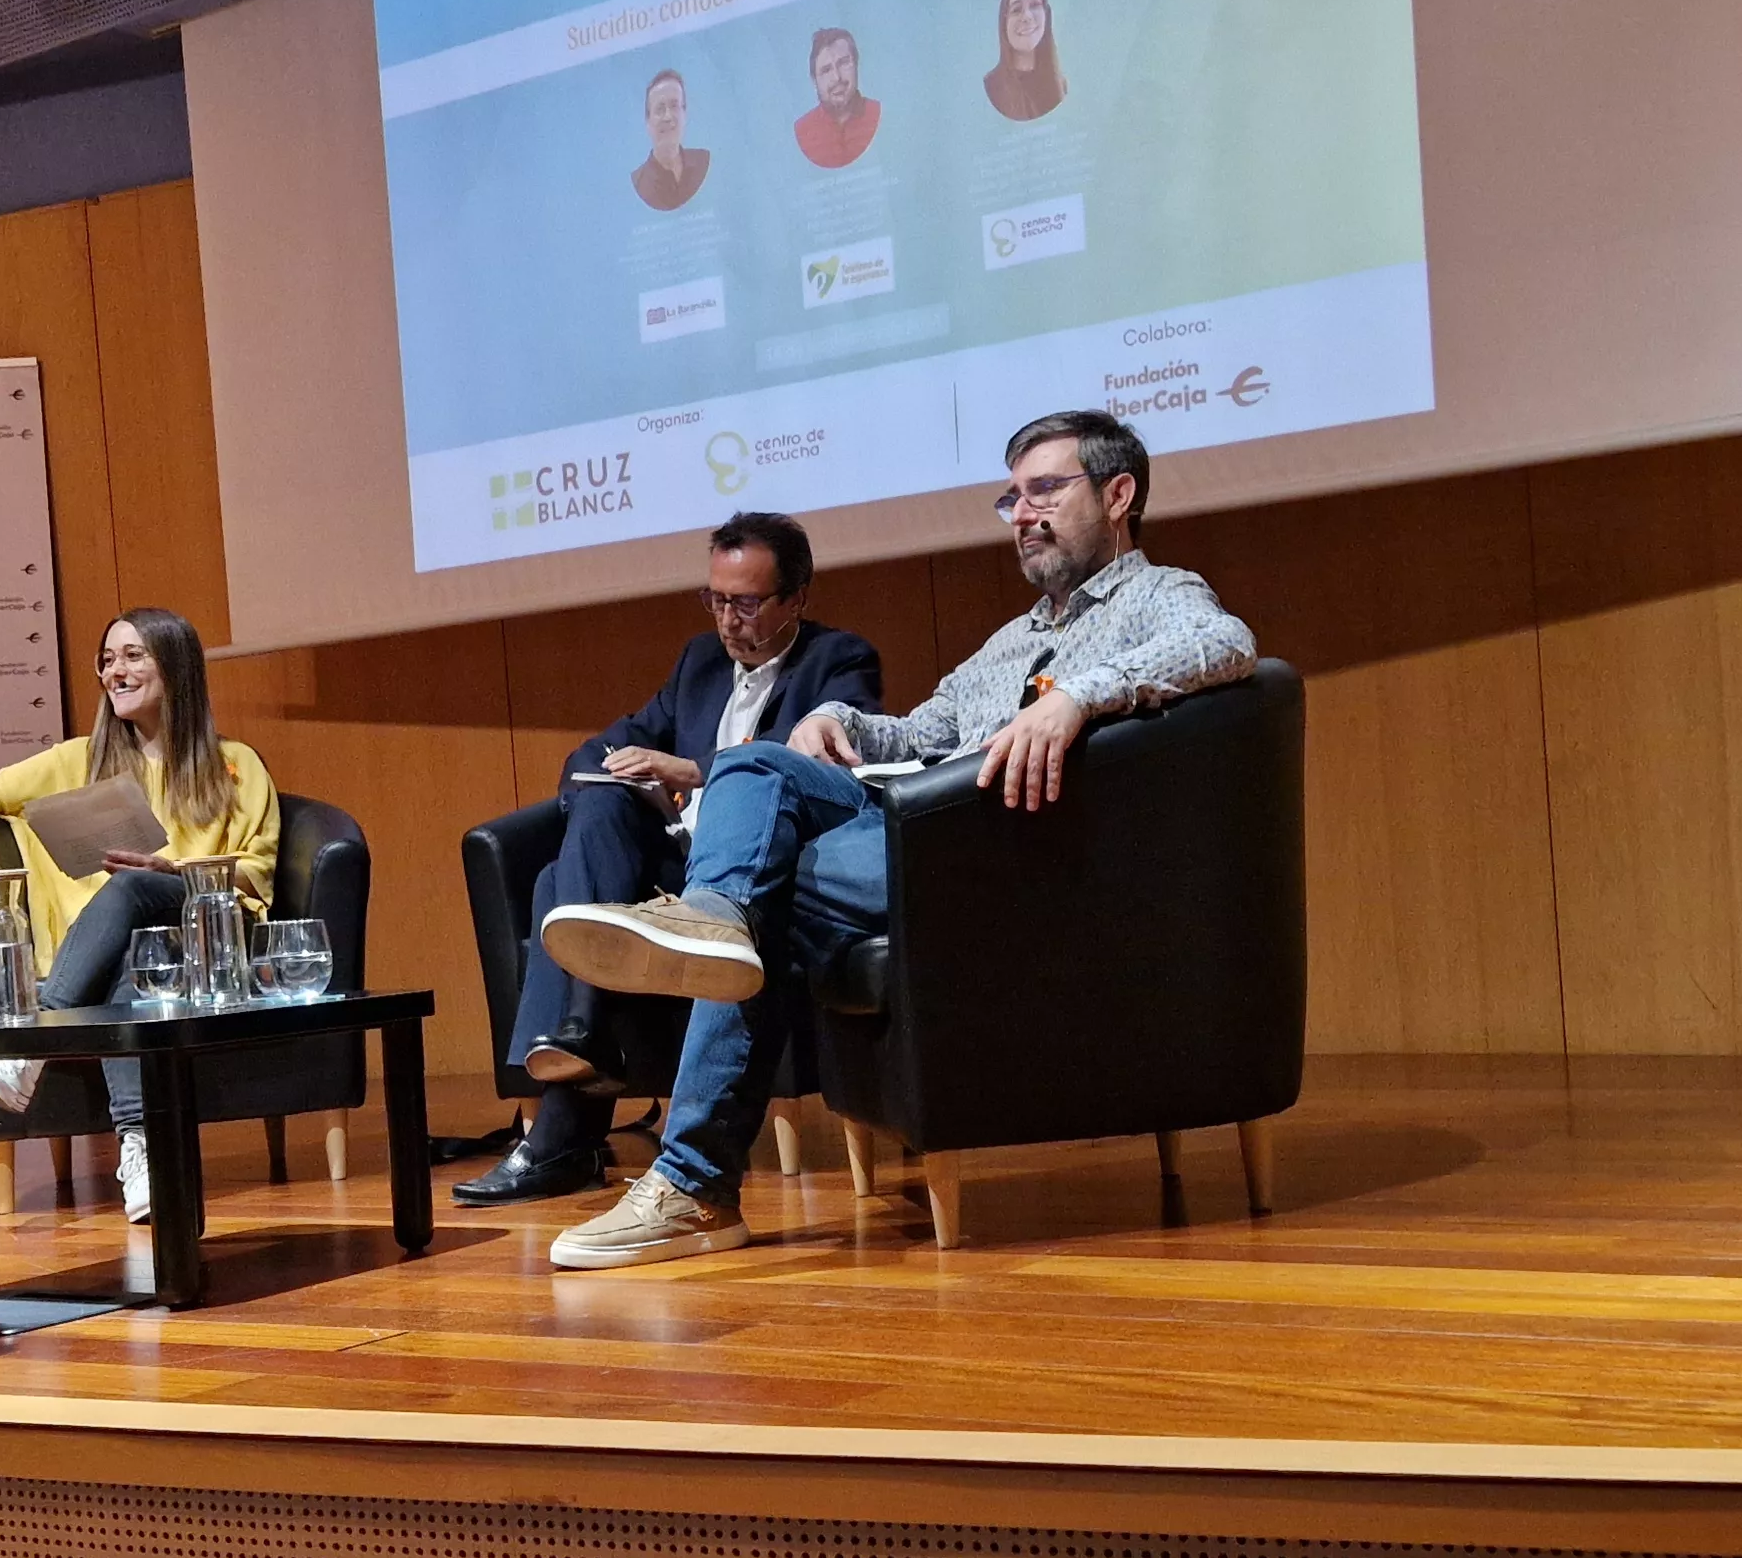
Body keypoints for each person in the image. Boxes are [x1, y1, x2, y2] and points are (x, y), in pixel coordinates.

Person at [535, 412, 1253, 1267]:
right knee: (756, 768)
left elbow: (1227, 644)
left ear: (1119, 494)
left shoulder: (1159, 594)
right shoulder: (1016, 637)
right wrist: (835, 719)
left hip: (1006, 860)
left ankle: (692, 1177)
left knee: (763, 893)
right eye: (1012, 497)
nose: (1023, 514)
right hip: (919, 840)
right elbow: (926, 726)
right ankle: (709, 938)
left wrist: (1078, 697)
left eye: (1045, 491)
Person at [456, 512, 883, 1207]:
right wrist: (611, 778)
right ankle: (581, 1037)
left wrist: (689, 770)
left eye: (745, 602)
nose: (727, 620)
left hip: (756, 877)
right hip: (671, 863)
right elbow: (601, 747)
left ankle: (567, 1106)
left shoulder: (841, 661)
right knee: (599, 802)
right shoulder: (699, 664)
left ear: (797, 598)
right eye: (715, 599)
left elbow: (803, 774)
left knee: (553, 885)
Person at [0, 607, 279, 1222]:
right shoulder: (76, 760)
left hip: (208, 927)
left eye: (133, 656)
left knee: (131, 890)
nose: (115, 671)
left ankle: (27, 1050)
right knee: (131, 949)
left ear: (174, 666)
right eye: (108, 659)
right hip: (131, 947)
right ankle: (140, 1148)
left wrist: (173, 872)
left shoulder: (236, 765)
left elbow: (258, 872)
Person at [792, 27, 881, 169]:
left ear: (856, 64)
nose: (837, 78)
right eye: (826, 70)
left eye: (844, 63)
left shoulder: (879, 114)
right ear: (814, 80)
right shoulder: (801, 131)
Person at [631, 69, 712, 211]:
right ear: (647, 122)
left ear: (684, 114)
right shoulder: (639, 183)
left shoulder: (704, 162)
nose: (668, 117)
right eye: (660, 109)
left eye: (674, 106)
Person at [982, 0, 1067, 121]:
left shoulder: (1060, 85)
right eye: (1016, 10)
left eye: (1035, 5)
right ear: (1004, 23)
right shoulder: (991, 87)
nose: (1027, 16)